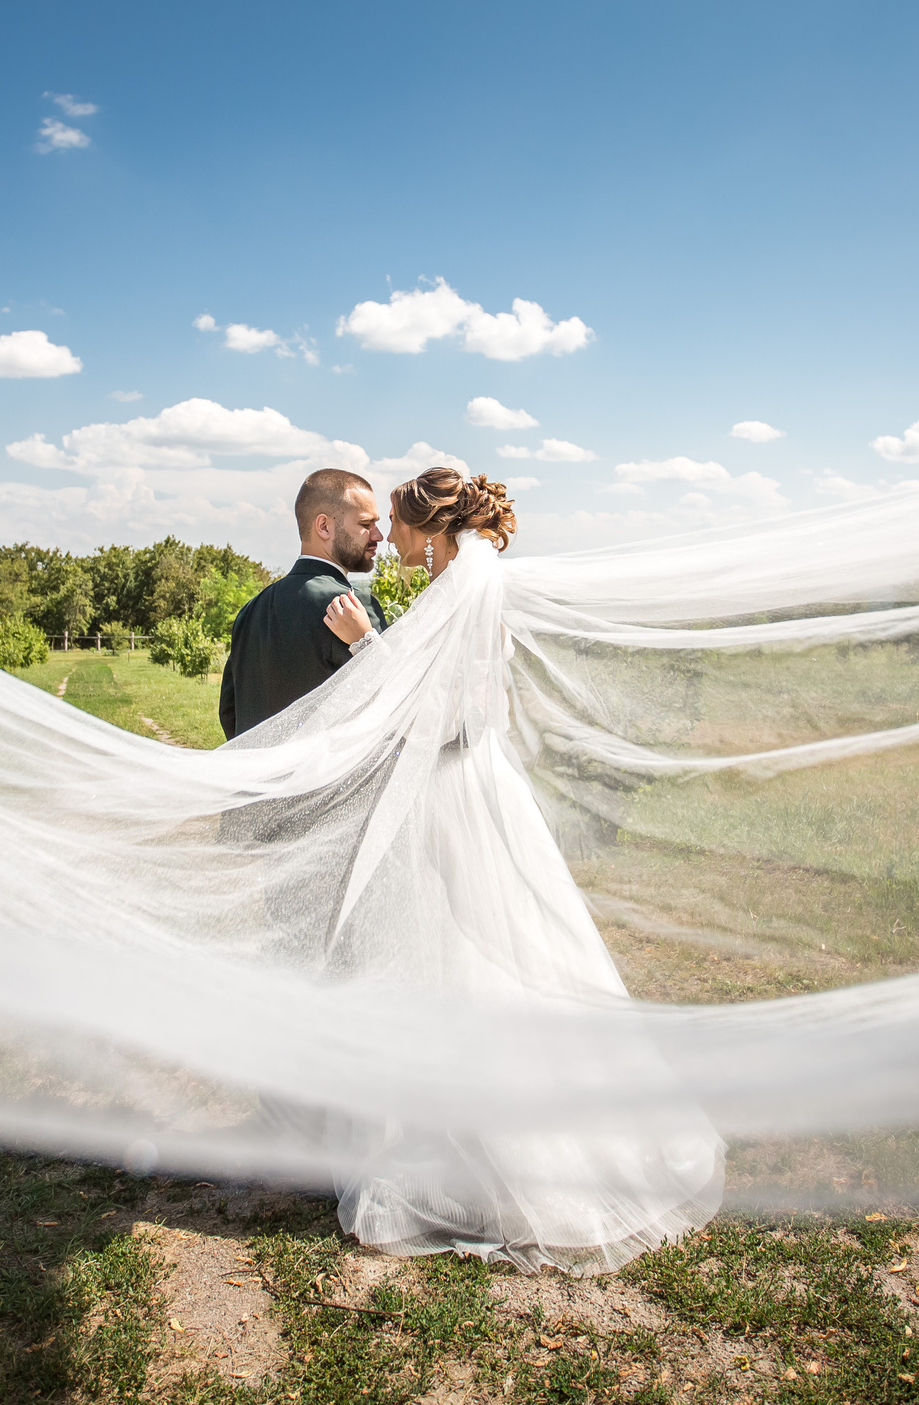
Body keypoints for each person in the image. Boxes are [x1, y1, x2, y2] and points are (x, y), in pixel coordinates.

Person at [285, 466, 726, 1273]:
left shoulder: (461, 589)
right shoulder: (479, 581)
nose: (395, 538)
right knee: (499, 954)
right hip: (483, 782)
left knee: (470, 962)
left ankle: (513, 1164)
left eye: (400, 522)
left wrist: (364, 643)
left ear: (431, 525)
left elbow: (441, 711)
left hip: (457, 787)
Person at [218, 467, 389, 740]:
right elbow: (388, 704)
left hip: (255, 779)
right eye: (366, 525)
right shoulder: (353, 606)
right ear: (324, 526)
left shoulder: (249, 611)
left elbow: (229, 711)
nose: (378, 535)